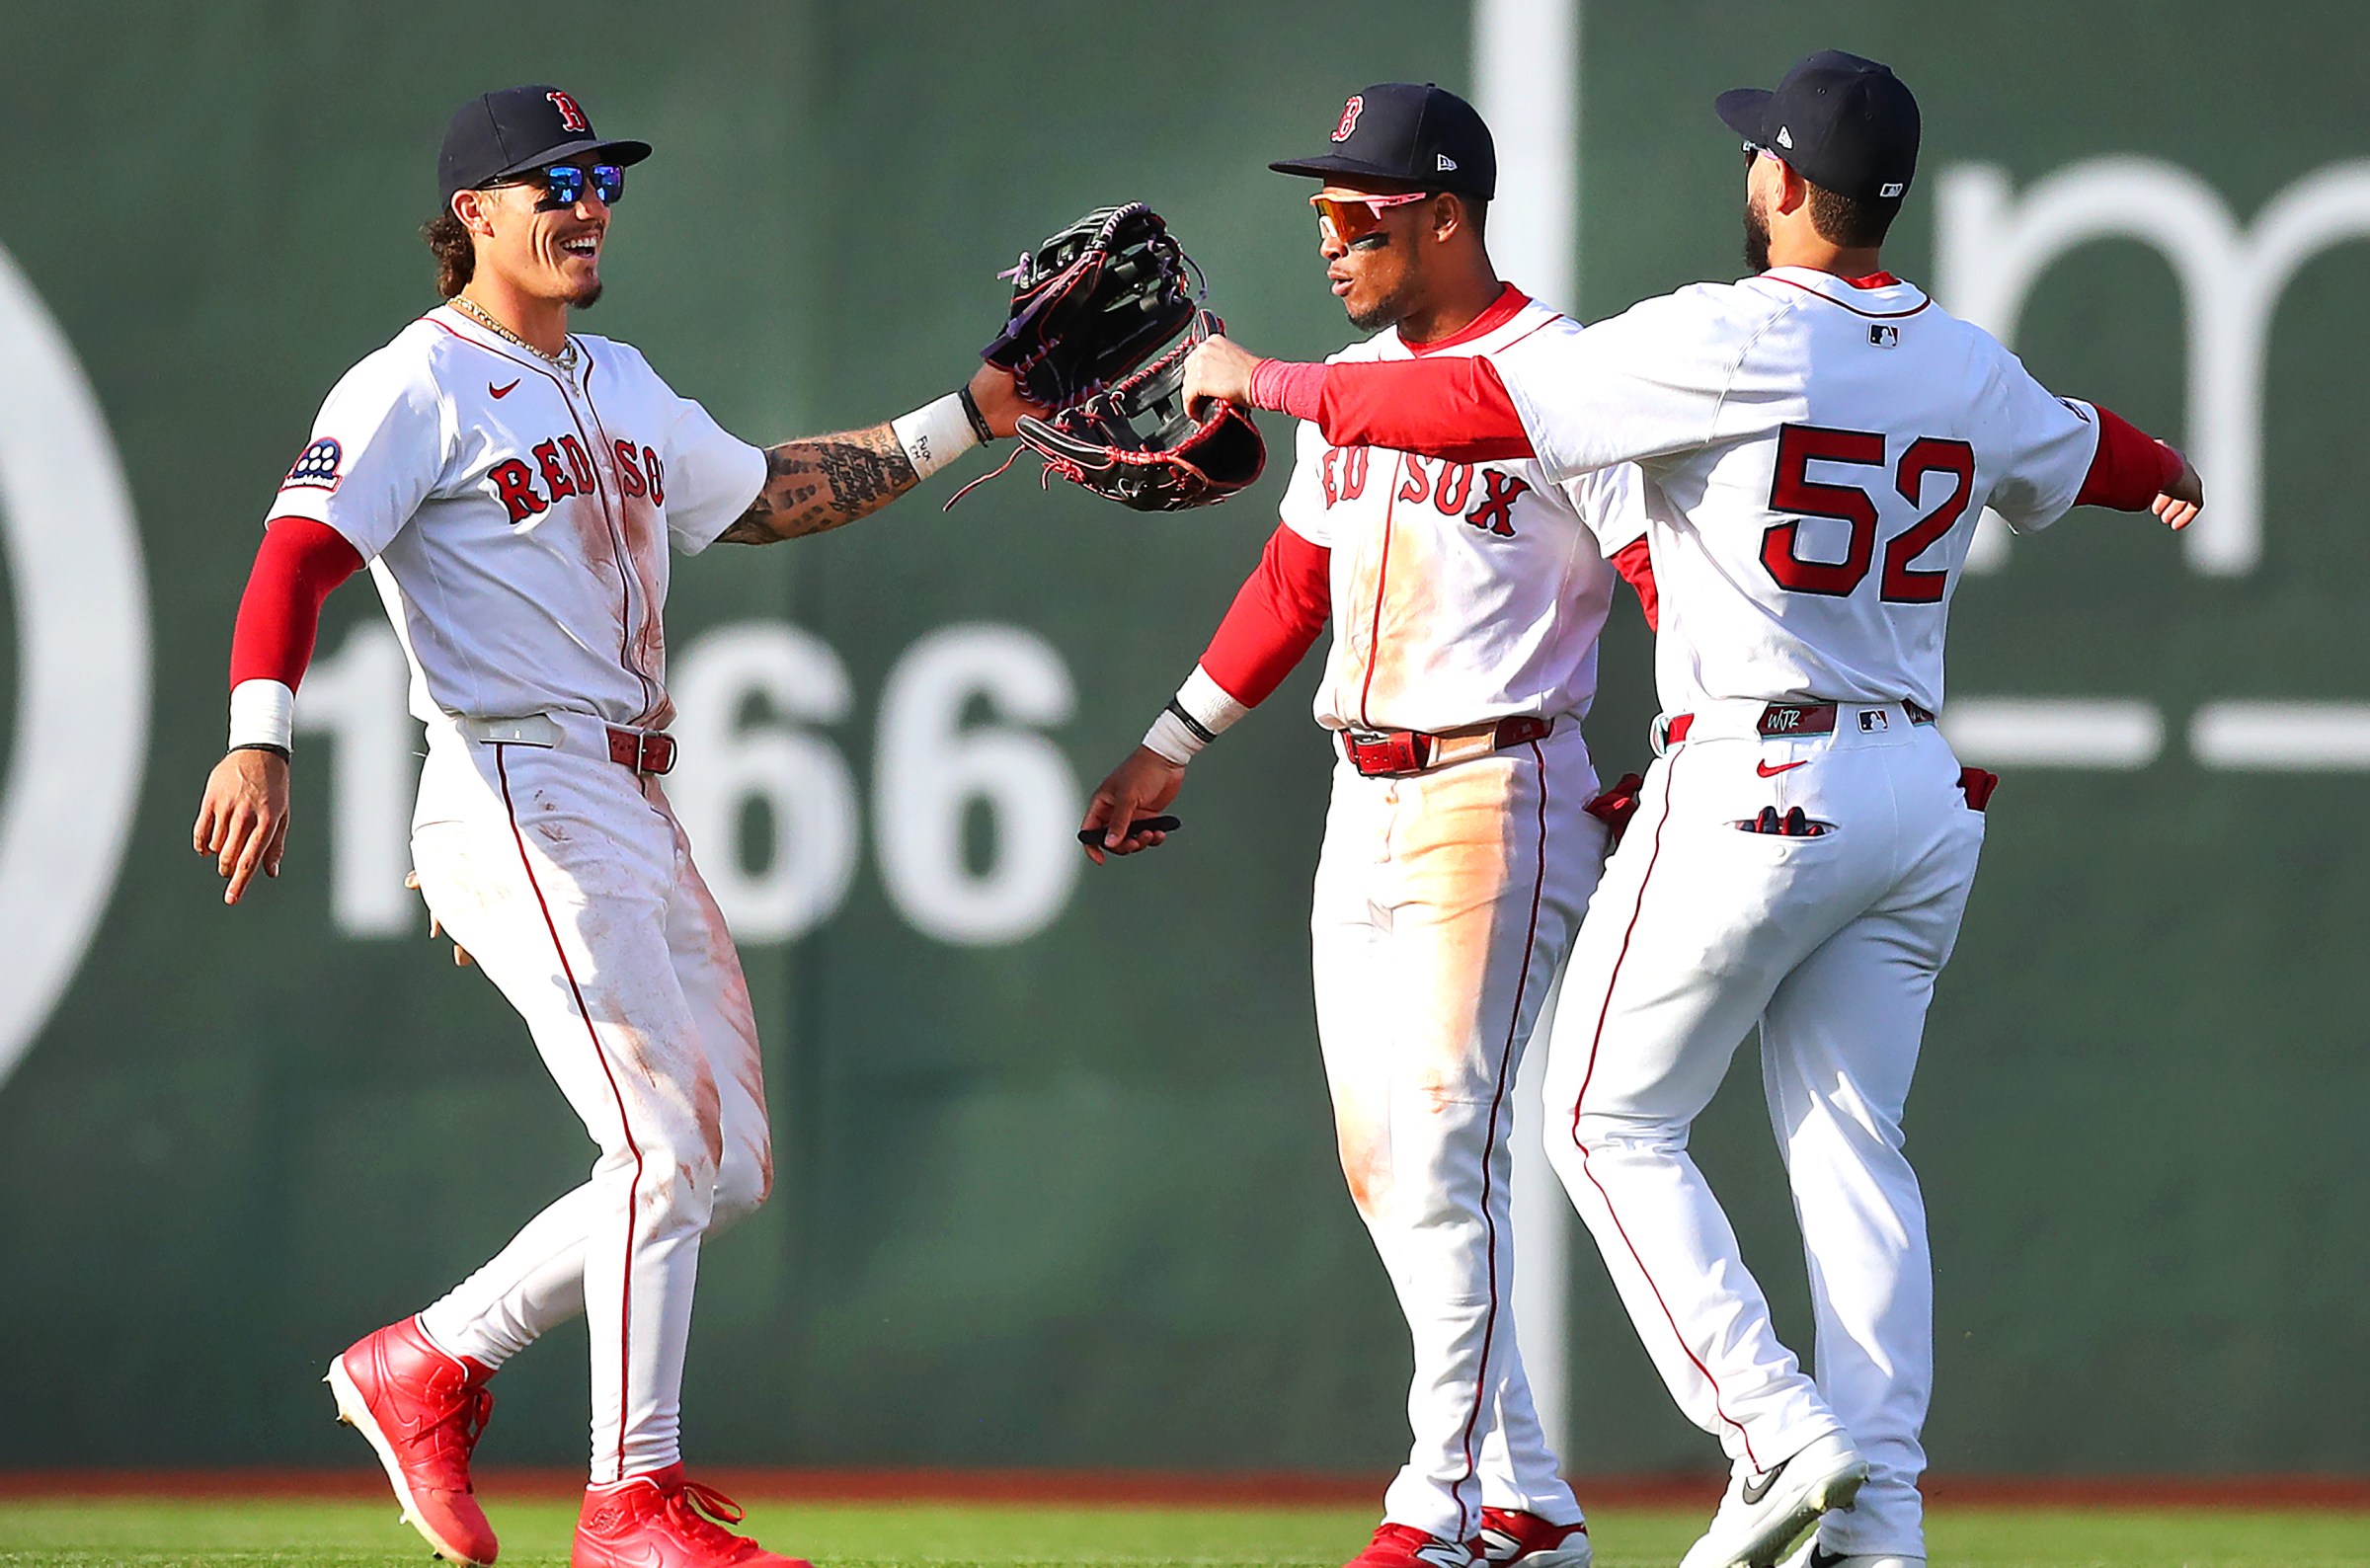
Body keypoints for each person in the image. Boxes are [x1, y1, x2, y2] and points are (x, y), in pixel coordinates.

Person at [1183, 50, 2202, 1568]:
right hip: (1915, 794)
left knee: (1602, 1120)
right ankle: (1883, 1526)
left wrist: (1264, 379)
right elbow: (2089, 443)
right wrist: (2167, 469)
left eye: (1755, 155)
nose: (1746, 172)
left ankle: (1772, 1430)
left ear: (1784, 183)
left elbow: (1469, 404)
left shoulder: (1730, 335)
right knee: (1855, 1150)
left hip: (1761, 772)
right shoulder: (1965, 362)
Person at [191, 84, 1029, 1568]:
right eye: (555, 183)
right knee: (659, 1146)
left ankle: (430, 1360)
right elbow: (297, 558)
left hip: (632, 792)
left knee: (725, 1163)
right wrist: (260, 735)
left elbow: (767, 495)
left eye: (603, 182)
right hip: (516, 780)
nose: (588, 207)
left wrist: (974, 415)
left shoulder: (620, 380)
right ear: (475, 214)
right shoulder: (414, 383)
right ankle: (628, 1502)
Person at [1085, 83, 1651, 1568]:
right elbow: (1297, 582)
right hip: (1365, 798)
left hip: (1499, 786)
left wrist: (1696, 734)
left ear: (1444, 217)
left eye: (1357, 213)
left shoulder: (1562, 377)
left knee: (1450, 1141)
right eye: (1320, 213)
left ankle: (1435, 1506)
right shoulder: (1353, 376)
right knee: (1385, 1163)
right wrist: (1170, 744)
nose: (1329, 239)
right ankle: (1529, 1500)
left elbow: (1663, 569)